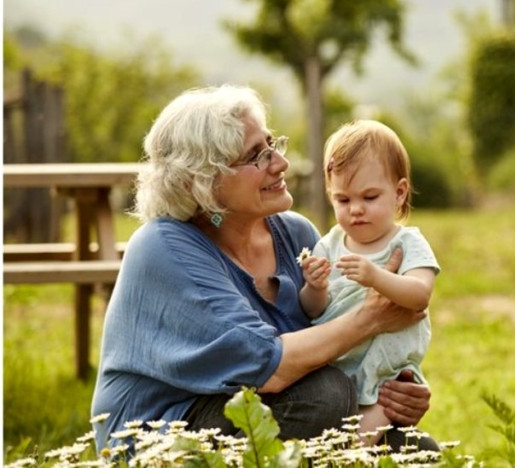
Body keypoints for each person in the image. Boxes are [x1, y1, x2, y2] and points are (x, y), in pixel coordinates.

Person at [90, 85, 437, 453]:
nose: (280, 163)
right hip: (163, 434)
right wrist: (373, 318)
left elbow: (332, 336)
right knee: (326, 396)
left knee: (417, 451)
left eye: (273, 145)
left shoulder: (295, 233)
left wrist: (395, 387)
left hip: (268, 409)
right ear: (204, 182)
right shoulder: (163, 247)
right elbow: (266, 368)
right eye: (257, 156)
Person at [299, 119, 439, 446]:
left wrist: (377, 276)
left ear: (400, 193)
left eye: (370, 197)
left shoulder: (407, 243)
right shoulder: (329, 244)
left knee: (354, 445)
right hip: (339, 363)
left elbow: (420, 295)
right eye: (343, 200)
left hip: (386, 373)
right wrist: (315, 288)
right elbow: (311, 310)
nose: (356, 210)